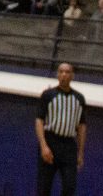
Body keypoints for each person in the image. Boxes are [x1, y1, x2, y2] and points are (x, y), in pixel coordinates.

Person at [35, 62, 87, 196]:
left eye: (67, 72)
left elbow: (81, 126)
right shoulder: (48, 95)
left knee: (70, 187)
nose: (64, 74)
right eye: (61, 71)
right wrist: (43, 146)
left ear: (72, 75)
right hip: (51, 142)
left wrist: (80, 153)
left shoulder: (79, 98)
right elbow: (39, 120)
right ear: (57, 75)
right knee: (44, 187)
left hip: (69, 146)